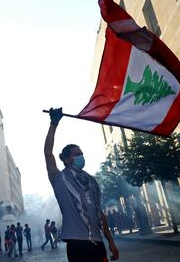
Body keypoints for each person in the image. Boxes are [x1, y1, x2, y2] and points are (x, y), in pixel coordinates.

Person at [44, 108, 119, 261]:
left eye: (81, 154)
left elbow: (100, 213)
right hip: (76, 243)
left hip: (97, 243)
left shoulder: (91, 181)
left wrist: (110, 241)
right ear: (65, 159)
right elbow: (47, 152)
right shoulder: (59, 178)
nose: (81, 157)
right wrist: (53, 124)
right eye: (76, 154)